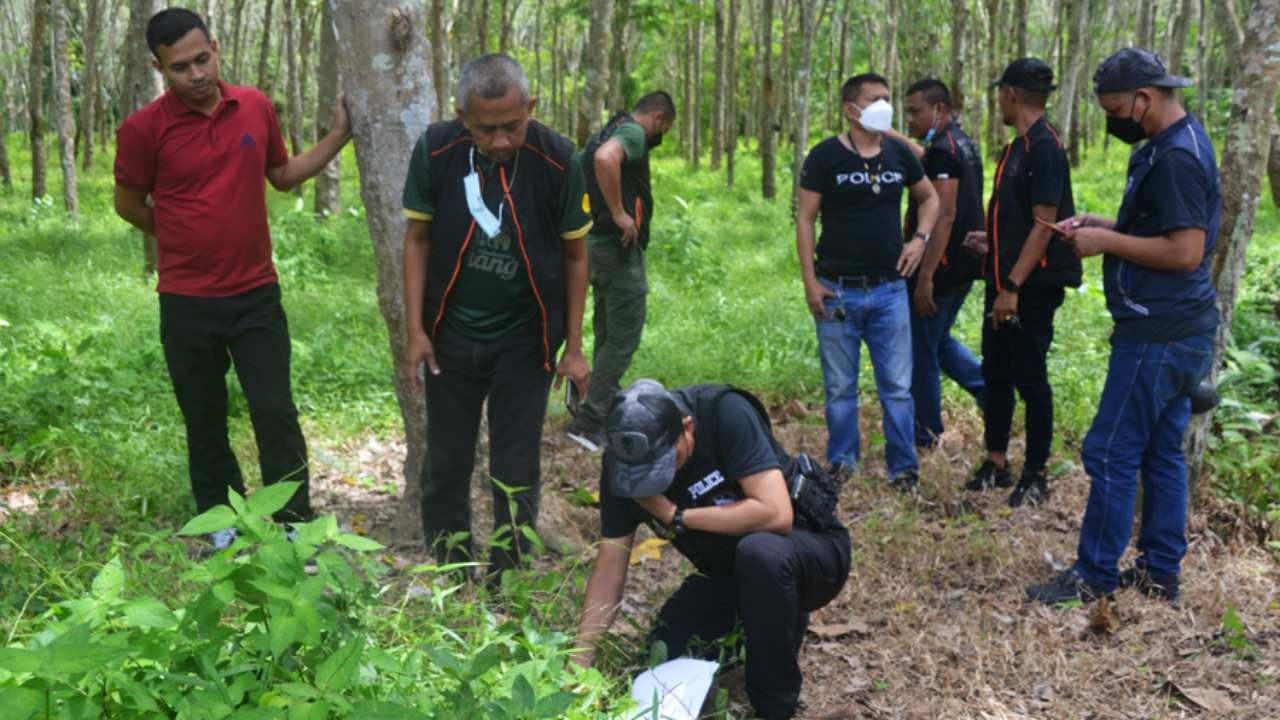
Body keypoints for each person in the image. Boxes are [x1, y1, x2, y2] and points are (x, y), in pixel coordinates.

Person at [113, 8, 351, 548]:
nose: (197, 74)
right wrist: (179, 232)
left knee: (275, 412)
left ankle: (295, 526)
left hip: (255, 295)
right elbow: (128, 204)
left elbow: (282, 175)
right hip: (186, 301)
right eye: (180, 67)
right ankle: (221, 524)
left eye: (203, 59)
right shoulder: (143, 130)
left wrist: (340, 135)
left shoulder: (255, 107)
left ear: (216, 48)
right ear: (159, 69)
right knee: (204, 417)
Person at [1026, 49, 1219, 605]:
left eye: (1115, 110)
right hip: (1178, 324)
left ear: (1146, 98)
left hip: (1159, 331)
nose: (1113, 121)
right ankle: (1160, 571)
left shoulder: (1177, 158)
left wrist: (1106, 241)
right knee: (1161, 451)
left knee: (1110, 450)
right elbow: (1163, 226)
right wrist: (1101, 224)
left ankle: (1094, 576)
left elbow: (1186, 250)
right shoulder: (1167, 144)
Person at [400, 54, 592, 574]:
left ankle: (507, 576)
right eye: (487, 130)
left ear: (532, 107)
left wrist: (574, 347)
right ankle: (451, 569)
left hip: (526, 339)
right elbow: (416, 239)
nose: (502, 140)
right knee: (446, 462)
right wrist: (416, 330)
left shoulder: (558, 160)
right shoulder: (437, 150)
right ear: (463, 115)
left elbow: (576, 256)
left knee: (515, 466)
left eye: (513, 125)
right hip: (449, 334)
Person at [571, 379, 851, 720]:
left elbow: (776, 513)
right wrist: (578, 663)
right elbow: (609, 570)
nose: (655, 480)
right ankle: (758, 625)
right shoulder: (622, 468)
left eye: (667, 462)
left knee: (761, 554)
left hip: (809, 552)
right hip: (729, 576)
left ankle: (774, 706)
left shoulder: (724, 413)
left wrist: (676, 515)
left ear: (687, 426)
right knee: (659, 662)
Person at [797, 72, 940, 492]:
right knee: (840, 387)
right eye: (875, 99)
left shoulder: (899, 153)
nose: (885, 106)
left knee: (897, 387)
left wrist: (920, 239)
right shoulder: (825, 156)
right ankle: (843, 463)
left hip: (889, 289)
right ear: (850, 110)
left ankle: (904, 470)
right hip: (837, 288)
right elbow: (805, 219)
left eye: (887, 98)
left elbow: (930, 198)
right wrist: (809, 282)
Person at [961, 58, 1082, 507]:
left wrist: (1012, 287)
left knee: (1031, 379)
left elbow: (1044, 226)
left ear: (1010, 94)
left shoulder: (1045, 148)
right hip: (1002, 281)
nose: (999, 101)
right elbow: (1019, 219)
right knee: (996, 373)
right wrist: (991, 243)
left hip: (1030, 288)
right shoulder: (1017, 147)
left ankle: (1035, 474)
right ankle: (996, 461)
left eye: (1000, 94)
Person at [565, 91, 677, 452]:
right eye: (664, 129)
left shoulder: (609, 128)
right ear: (658, 119)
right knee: (624, 334)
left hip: (593, 246)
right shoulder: (632, 133)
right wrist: (619, 213)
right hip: (617, 250)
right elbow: (605, 159)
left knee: (607, 330)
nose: (660, 136)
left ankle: (594, 402)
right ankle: (590, 421)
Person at [897, 78, 986, 449]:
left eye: (916, 111)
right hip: (964, 262)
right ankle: (988, 391)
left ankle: (926, 432)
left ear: (940, 109)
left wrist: (926, 277)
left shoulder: (945, 151)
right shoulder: (959, 143)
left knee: (922, 349)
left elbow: (944, 214)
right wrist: (886, 134)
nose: (910, 118)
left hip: (942, 266)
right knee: (937, 338)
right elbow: (928, 157)